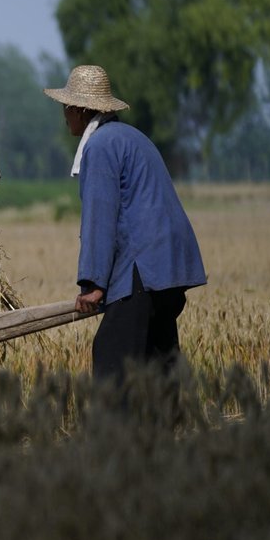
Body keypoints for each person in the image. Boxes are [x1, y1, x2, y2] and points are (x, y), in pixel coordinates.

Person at [44, 64, 206, 385]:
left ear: (78, 109)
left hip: (143, 268)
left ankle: (113, 434)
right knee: (157, 360)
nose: (63, 115)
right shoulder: (132, 137)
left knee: (112, 359)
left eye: (66, 107)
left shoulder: (101, 146)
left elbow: (100, 216)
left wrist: (93, 283)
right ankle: (167, 431)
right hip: (170, 269)